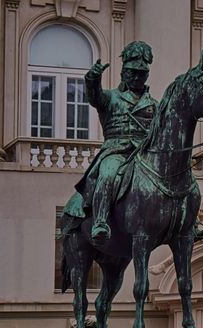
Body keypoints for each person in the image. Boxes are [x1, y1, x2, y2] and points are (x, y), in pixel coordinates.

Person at [63, 41, 158, 243]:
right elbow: (94, 97)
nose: (136, 77)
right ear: (123, 73)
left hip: (145, 153)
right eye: (132, 72)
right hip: (117, 150)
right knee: (107, 174)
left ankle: (187, 223)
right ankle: (100, 221)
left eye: (141, 73)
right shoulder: (111, 97)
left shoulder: (153, 105)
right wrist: (92, 79)